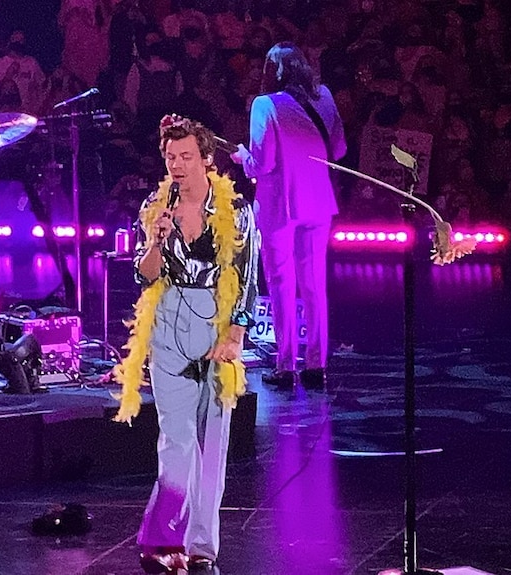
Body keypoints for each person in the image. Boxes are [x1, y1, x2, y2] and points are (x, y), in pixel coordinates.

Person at [112, 115, 259, 573]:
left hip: (217, 322)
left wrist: (236, 331)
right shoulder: (154, 208)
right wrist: (156, 241)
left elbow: (250, 274)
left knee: (212, 445)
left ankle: (201, 549)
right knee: (176, 441)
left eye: (186, 157)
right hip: (171, 321)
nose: (177, 165)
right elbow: (145, 274)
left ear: (206, 159)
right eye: (171, 157)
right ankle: (161, 541)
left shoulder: (235, 210)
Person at [231, 42, 346, 391]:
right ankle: (316, 365)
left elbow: (262, 163)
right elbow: (338, 149)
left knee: (282, 283)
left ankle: (285, 366)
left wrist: (242, 158)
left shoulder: (264, 104)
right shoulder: (323, 96)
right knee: (314, 285)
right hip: (319, 202)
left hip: (280, 205)